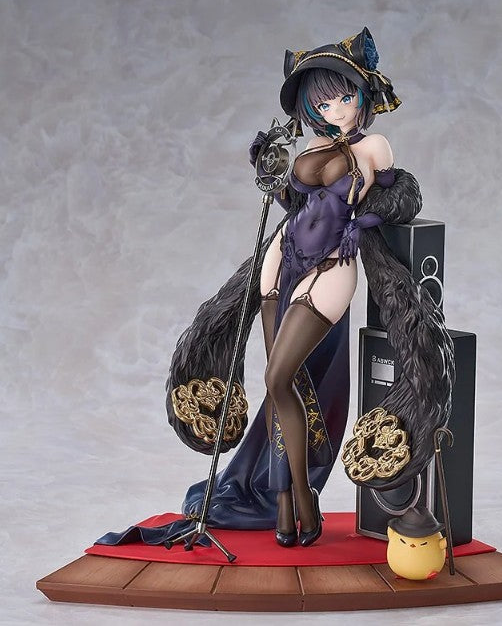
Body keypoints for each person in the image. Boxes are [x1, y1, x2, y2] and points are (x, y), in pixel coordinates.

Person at [95, 27, 454, 550]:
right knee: (279, 383)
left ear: (363, 95)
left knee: (280, 377)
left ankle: (302, 494)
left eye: (344, 97)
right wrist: (267, 171)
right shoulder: (314, 145)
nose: (335, 109)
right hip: (281, 259)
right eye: (323, 102)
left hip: (331, 266)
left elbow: (402, 198)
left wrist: (365, 221)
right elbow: (296, 204)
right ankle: (285, 499)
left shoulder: (373, 146)